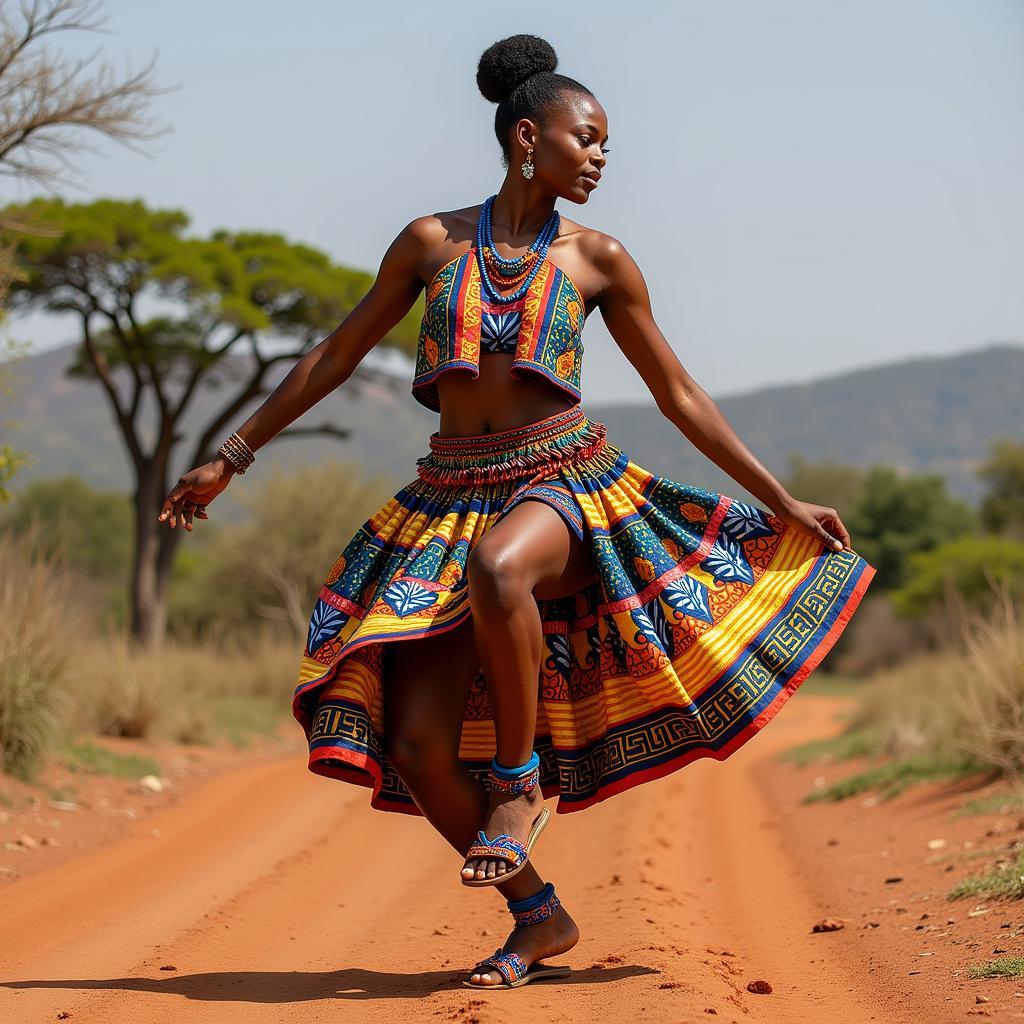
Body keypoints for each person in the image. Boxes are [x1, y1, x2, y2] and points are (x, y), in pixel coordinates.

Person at [158, 33, 876, 992]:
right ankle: (538, 916)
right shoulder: (430, 244)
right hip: (446, 494)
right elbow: (334, 355)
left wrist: (779, 498)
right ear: (529, 136)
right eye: (590, 140)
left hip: (568, 487)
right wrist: (231, 456)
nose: (603, 159)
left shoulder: (600, 260)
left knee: (503, 569)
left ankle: (516, 780)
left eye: (608, 145)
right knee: (413, 746)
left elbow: (679, 394)